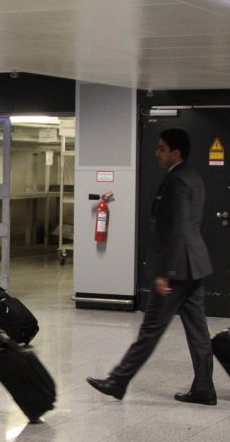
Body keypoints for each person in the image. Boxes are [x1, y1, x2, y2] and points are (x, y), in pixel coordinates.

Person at [87, 128, 216, 405]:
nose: (157, 153)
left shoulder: (178, 181)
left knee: (151, 329)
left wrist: (164, 273)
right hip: (194, 266)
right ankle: (204, 387)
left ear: (175, 152)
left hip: (177, 270)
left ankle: (118, 381)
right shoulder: (192, 177)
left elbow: (176, 228)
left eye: (161, 148)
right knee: (198, 330)